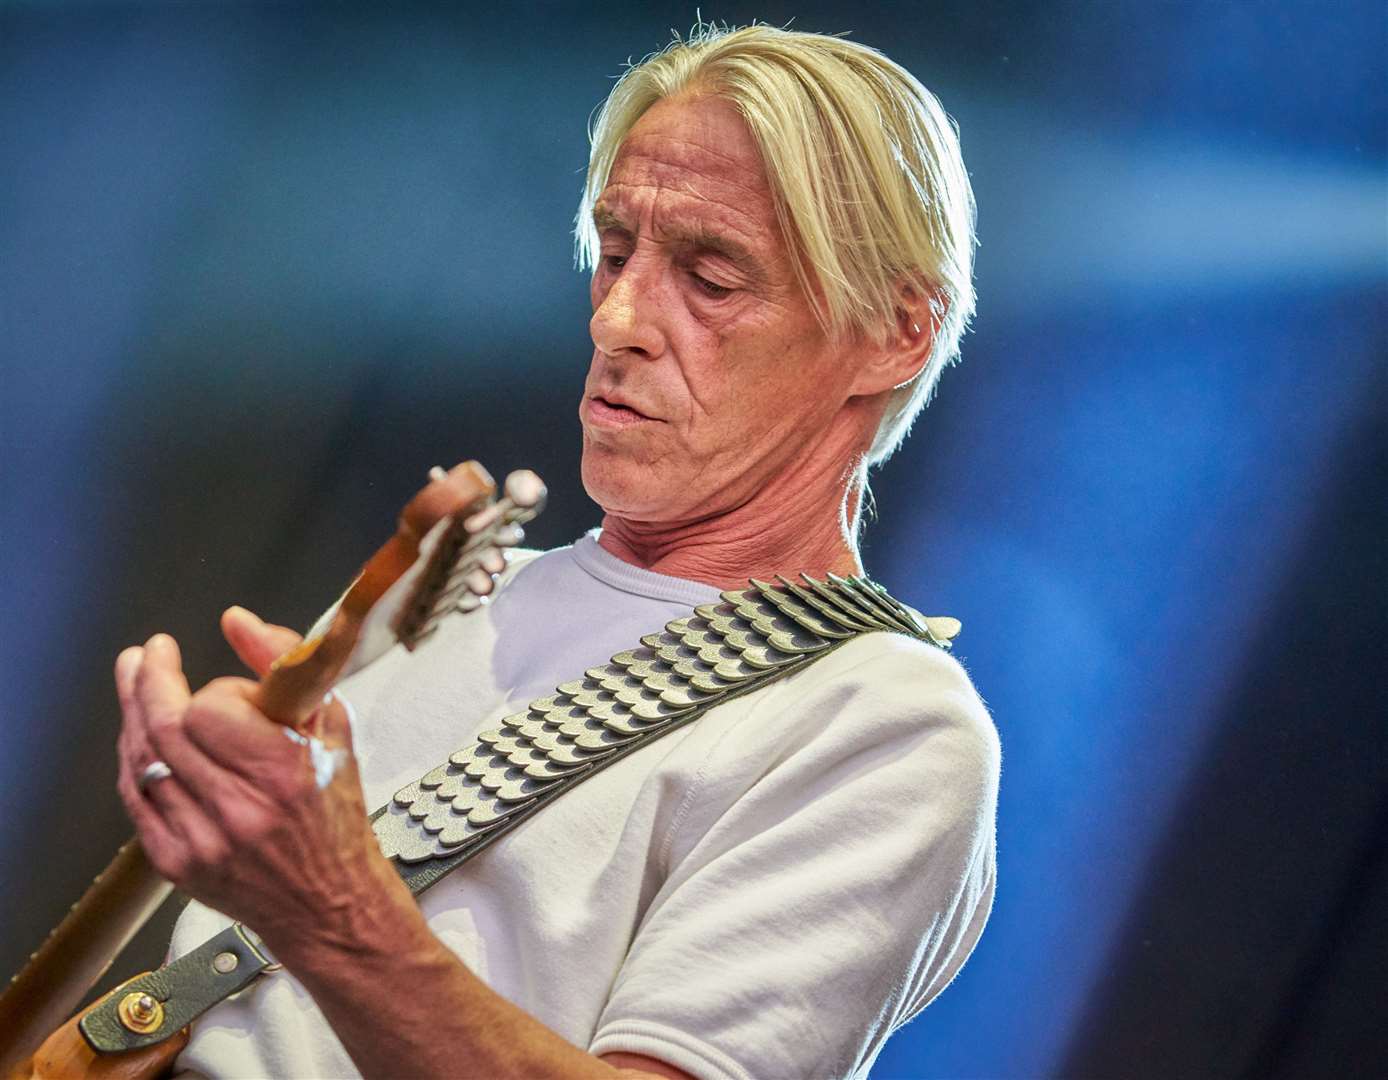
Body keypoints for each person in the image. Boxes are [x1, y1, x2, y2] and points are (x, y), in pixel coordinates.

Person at [115, 23, 998, 1080]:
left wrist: (334, 910)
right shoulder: (437, 590)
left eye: (709, 279)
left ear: (896, 332)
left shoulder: (881, 722)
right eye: (615, 252)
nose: (618, 318)